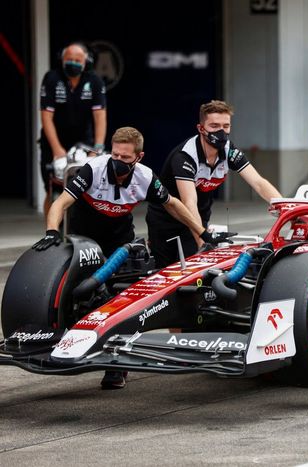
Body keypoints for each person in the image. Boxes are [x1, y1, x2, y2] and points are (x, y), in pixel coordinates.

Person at [32, 127, 215, 390]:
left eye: (126, 157)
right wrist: (51, 233)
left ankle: (116, 367)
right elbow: (61, 203)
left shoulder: (145, 177)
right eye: (115, 154)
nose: (118, 160)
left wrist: (202, 233)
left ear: (139, 157)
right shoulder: (92, 169)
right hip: (85, 242)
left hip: (121, 244)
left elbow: (173, 204)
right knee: (78, 296)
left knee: (122, 301)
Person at [146, 100, 282, 269]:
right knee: (167, 274)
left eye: (226, 126)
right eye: (214, 126)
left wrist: (287, 208)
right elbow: (189, 202)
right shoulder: (185, 156)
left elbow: (259, 183)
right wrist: (203, 243)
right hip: (166, 220)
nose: (221, 131)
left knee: (195, 272)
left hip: (200, 218)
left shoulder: (229, 150)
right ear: (201, 128)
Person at [40, 42, 107, 215]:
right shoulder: (52, 78)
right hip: (53, 143)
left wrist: (97, 149)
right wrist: (57, 150)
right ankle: (51, 232)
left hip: (84, 143)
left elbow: (100, 116)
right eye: (69, 59)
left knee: (85, 190)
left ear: (86, 62)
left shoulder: (95, 81)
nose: (73, 63)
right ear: (62, 59)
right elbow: (46, 117)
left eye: (78, 60)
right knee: (52, 190)